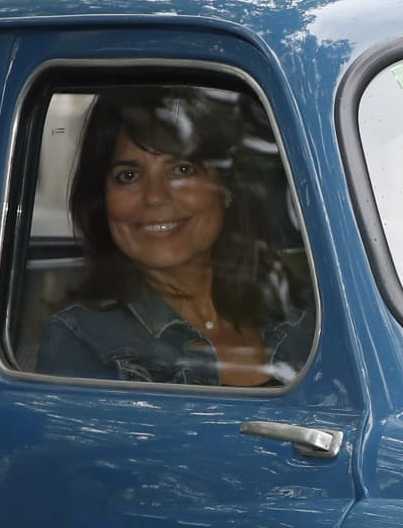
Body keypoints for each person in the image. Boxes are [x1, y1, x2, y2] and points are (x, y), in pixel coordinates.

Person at [33, 88, 313, 386]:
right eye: (128, 175)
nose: (154, 197)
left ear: (227, 187)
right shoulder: (82, 339)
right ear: (102, 200)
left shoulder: (307, 304)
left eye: (182, 169)